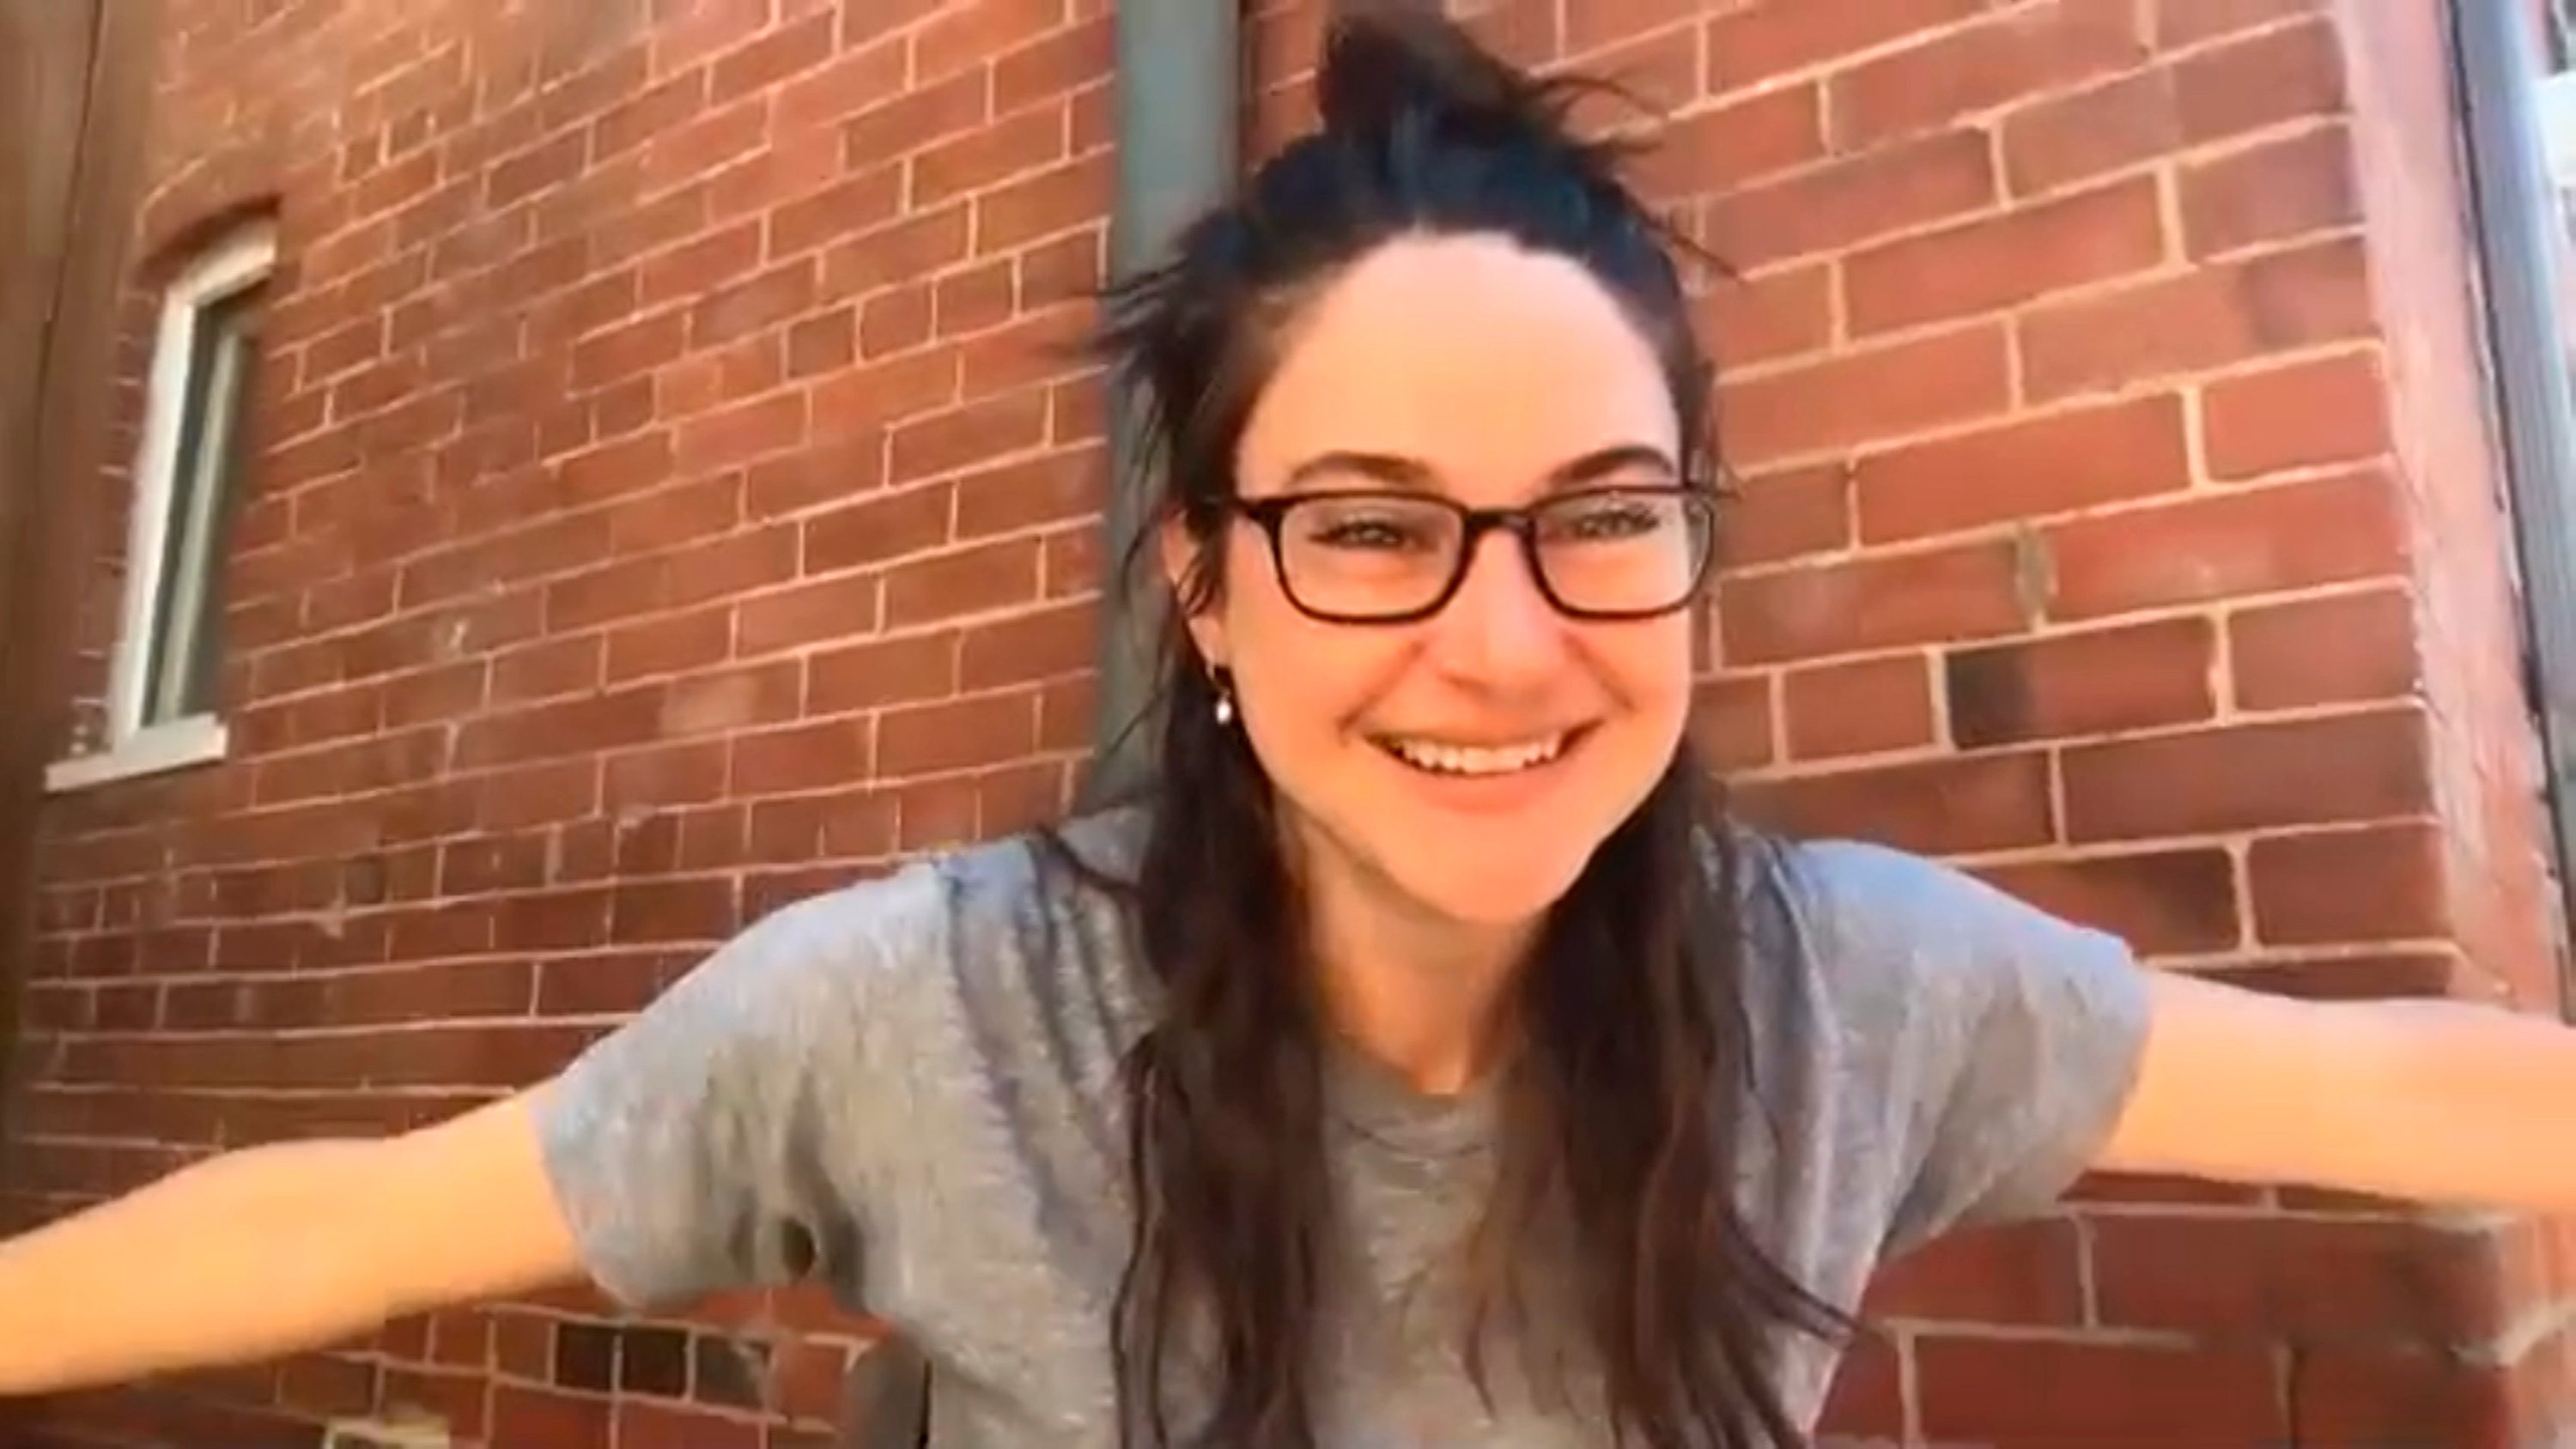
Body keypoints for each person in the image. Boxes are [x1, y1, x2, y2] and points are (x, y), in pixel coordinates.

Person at [7, 7, 2576, 1447]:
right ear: (1207, 597)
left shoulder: (1846, 998)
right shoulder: (943, 1018)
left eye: (1601, 513)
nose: (1504, 639)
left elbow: (2416, 1096)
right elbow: (351, 1216)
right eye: (1368, 527)